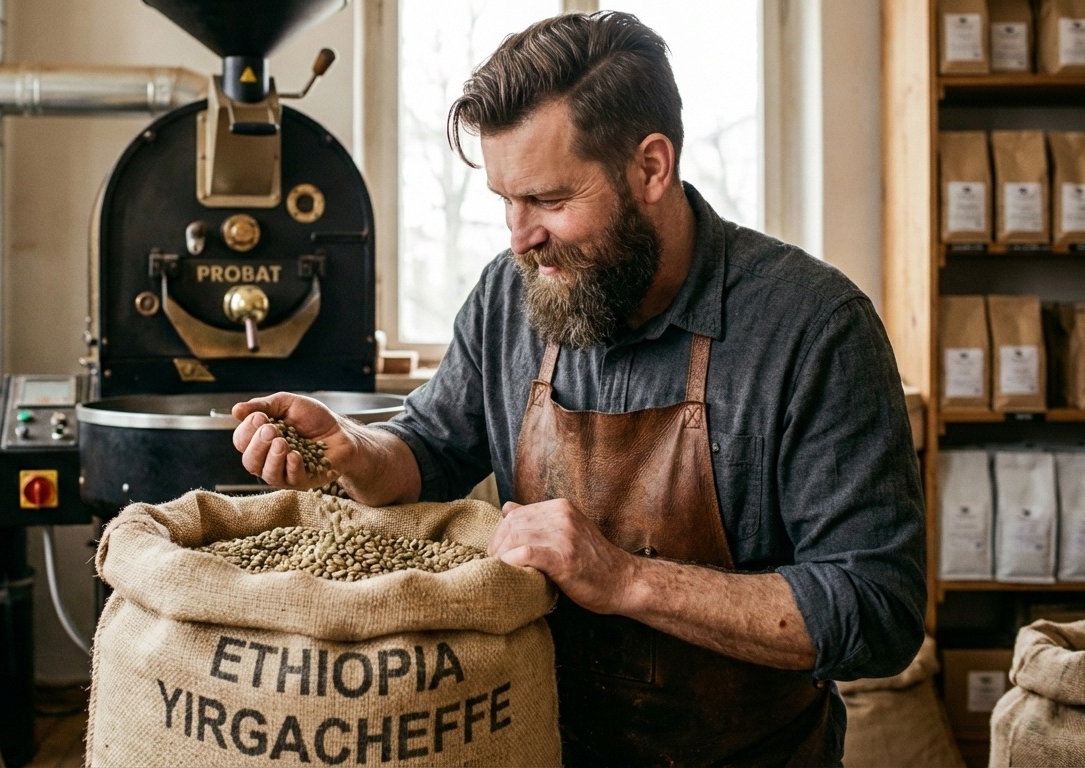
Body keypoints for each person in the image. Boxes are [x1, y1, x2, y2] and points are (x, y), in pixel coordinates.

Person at [232, 10, 925, 766]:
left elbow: (876, 612)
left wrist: (623, 578)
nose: (517, 236)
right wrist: (356, 450)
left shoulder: (812, 327)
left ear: (651, 169)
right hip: (534, 741)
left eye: (550, 201)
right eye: (506, 199)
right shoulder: (512, 293)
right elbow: (431, 446)